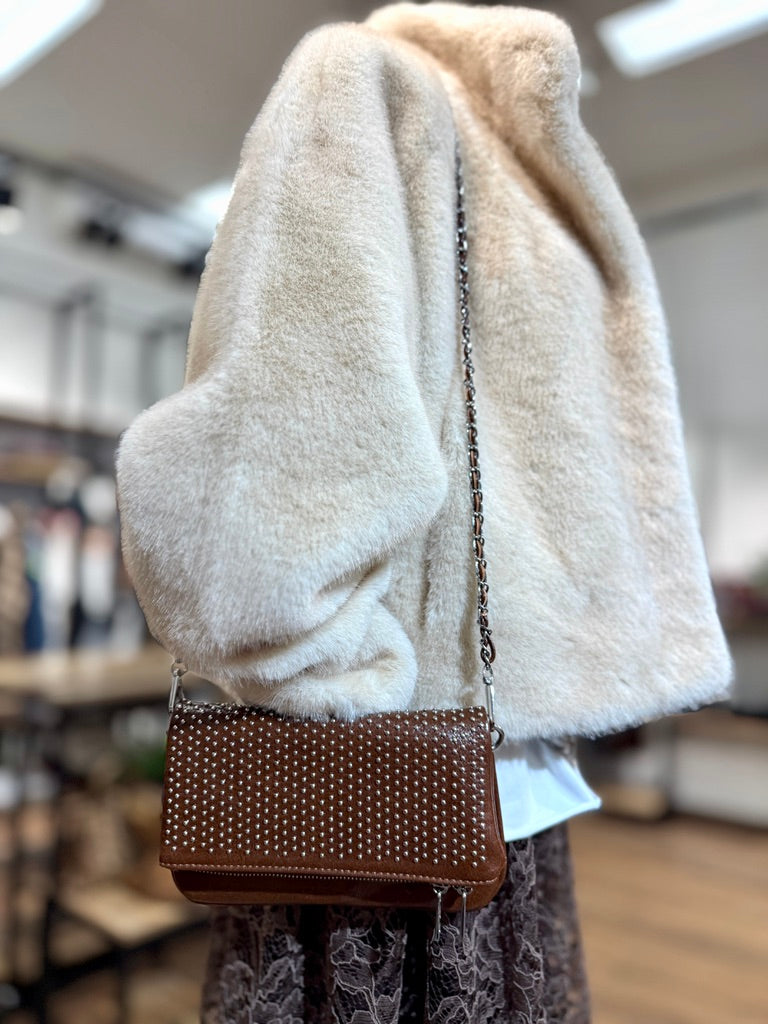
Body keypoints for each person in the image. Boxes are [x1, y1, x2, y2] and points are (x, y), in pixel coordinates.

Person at [115, 4, 731, 1021]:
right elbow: (299, 460)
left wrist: (320, 680)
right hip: (438, 796)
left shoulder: (395, 97)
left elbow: (265, 481)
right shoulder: (454, 124)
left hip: (406, 790)